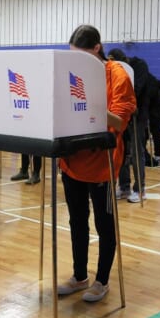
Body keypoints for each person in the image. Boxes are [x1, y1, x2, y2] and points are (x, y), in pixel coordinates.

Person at [57, 25, 136, 302]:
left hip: (103, 162)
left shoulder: (117, 75)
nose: (77, 62)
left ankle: (102, 280)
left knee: (104, 224)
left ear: (96, 49)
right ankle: (80, 276)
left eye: (82, 56)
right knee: (77, 221)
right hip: (72, 161)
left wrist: (91, 108)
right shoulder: (70, 72)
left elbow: (120, 121)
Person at [107, 48, 150, 203]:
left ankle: (140, 189)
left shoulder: (139, 66)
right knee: (122, 151)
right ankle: (124, 187)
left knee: (137, 152)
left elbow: (135, 90)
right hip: (121, 114)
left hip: (137, 116)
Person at [146, 78, 160, 167]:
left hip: (150, 117)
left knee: (146, 137)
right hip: (156, 117)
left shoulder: (150, 93)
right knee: (156, 137)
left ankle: (145, 154)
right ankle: (157, 156)